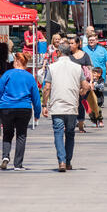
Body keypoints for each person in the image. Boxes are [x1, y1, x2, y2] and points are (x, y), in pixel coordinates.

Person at [42, 41, 90, 172]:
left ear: (58, 52)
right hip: (72, 106)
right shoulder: (77, 67)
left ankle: (61, 161)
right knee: (70, 134)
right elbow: (86, 85)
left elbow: (47, 88)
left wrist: (44, 104)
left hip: (57, 106)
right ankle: (68, 161)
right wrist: (81, 93)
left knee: (58, 133)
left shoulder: (52, 67)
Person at [0, 52, 41, 171]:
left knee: (7, 133)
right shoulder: (30, 77)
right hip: (24, 108)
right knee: (21, 135)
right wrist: (37, 113)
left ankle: (5, 157)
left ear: (17, 62)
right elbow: (36, 97)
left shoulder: (7, 74)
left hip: (6, 107)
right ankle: (18, 164)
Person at [68, 36, 93, 133]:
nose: (70, 45)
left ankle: (81, 125)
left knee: (80, 104)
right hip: (71, 82)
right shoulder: (68, 55)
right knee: (72, 104)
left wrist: (91, 82)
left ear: (78, 44)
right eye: (69, 43)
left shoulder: (85, 55)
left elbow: (90, 69)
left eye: (72, 43)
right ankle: (70, 124)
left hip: (83, 83)